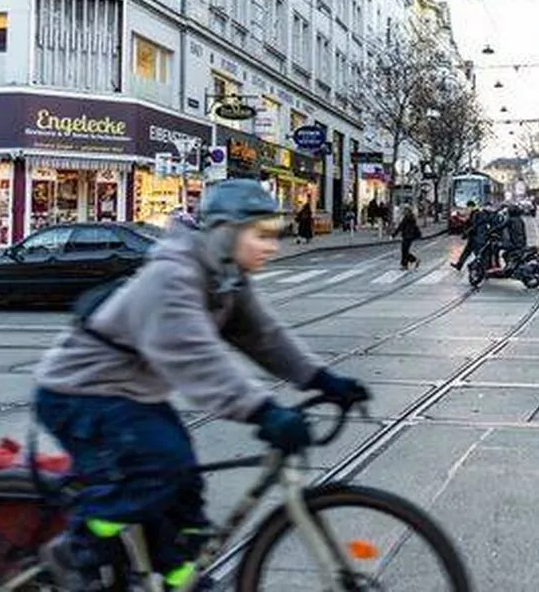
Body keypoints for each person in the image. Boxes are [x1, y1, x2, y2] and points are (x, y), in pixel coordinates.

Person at [32, 179, 371, 591]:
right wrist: (263, 411)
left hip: (131, 393)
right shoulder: (172, 276)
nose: (272, 246)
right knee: (158, 469)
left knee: (183, 481)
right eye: (261, 235)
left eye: (274, 236)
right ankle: (77, 545)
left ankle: (178, 577)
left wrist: (323, 379)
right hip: (79, 392)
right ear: (226, 231)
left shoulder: (225, 278)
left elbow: (264, 336)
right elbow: (195, 360)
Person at [393, 204, 422, 269]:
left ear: (408, 210)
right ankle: (408, 263)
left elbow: (400, 226)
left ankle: (409, 262)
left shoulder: (407, 218)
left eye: (405, 210)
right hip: (409, 236)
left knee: (404, 251)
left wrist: (394, 234)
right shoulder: (411, 217)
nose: (404, 211)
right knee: (405, 251)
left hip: (407, 236)